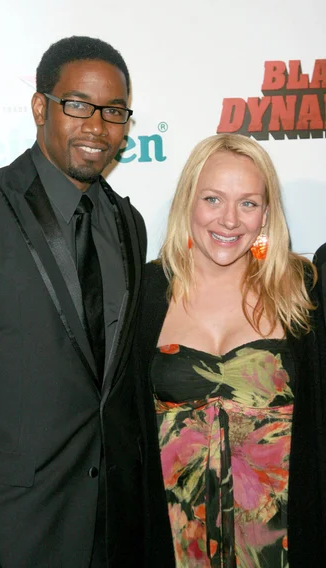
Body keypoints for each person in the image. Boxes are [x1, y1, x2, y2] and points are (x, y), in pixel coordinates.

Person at [0, 35, 173, 568]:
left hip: (117, 531)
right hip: (11, 534)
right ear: (41, 107)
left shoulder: (128, 223)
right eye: (78, 105)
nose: (96, 126)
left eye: (114, 112)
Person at [136, 134, 326, 567]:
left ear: (266, 214)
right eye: (213, 199)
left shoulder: (303, 291)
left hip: (283, 550)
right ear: (189, 202)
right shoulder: (143, 296)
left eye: (248, 203)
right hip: (173, 548)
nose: (229, 220)